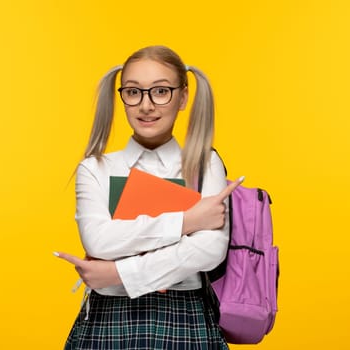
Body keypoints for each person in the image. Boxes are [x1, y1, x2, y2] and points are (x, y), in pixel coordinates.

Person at [54, 45, 243, 349]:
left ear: (182, 97)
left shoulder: (205, 164)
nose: (146, 105)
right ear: (122, 98)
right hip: (110, 319)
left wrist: (117, 272)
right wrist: (187, 221)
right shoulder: (96, 169)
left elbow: (210, 250)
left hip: (185, 319)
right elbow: (99, 241)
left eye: (160, 91)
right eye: (133, 92)